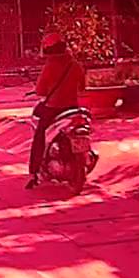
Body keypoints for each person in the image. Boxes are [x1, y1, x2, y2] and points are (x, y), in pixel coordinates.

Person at [27, 32, 85, 189]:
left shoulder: (50, 67)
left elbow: (40, 91)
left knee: (39, 135)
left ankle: (34, 171)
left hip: (53, 109)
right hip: (73, 108)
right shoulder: (75, 65)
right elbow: (82, 87)